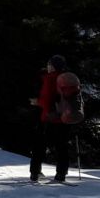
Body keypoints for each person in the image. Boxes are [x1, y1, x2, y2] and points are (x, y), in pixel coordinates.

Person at [30, 55, 80, 183]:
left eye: (48, 64)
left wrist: (37, 102)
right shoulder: (67, 79)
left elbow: (46, 100)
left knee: (39, 145)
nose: (47, 66)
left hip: (49, 118)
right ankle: (61, 174)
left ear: (52, 66)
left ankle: (35, 173)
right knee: (62, 147)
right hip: (65, 118)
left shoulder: (50, 78)